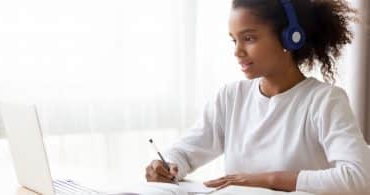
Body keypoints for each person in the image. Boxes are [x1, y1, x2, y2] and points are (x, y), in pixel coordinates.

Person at [145, 0, 370, 194]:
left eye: (249, 38)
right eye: (234, 40)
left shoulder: (324, 101)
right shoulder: (231, 97)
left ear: (290, 38)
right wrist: (168, 165)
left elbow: (361, 179)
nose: (237, 51)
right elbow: (185, 152)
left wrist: (266, 180)